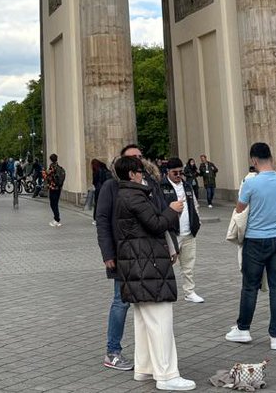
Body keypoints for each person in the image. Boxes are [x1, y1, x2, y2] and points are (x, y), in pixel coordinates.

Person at [112, 154, 195, 391]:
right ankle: (167, 375)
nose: (143, 176)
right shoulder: (135, 196)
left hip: (137, 264)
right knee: (160, 320)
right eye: (141, 172)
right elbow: (156, 224)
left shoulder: (123, 195)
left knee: (144, 320)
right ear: (132, 174)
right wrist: (172, 210)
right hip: (147, 264)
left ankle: (145, 368)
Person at [226, 142, 276, 351]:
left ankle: (243, 329)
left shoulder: (251, 183)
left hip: (255, 239)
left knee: (250, 286)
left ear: (253, 160)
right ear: (270, 158)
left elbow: (239, 208)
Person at [96, 143, 156, 372]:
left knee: (148, 302)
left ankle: (149, 352)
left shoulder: (148, 184)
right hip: (122, 254)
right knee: (121, 302)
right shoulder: (111, 187)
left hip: (148, 253)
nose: (139, 161)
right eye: (133, 159)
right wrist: (107, 253)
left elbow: (157, 214)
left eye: (140, 157)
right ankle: (113, 351)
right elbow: (102, 220)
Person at [162, 158, 203, 304]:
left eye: (181, 172)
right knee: (166, 264)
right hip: (171, 233)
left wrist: (197, 221)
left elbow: (195, 205)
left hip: (188, 232)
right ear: (168, 172)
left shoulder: (187, 186)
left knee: (188, 265)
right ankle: (164, 291)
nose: (178, 175)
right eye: (175, 172)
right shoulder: (162, 187)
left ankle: (189, 292)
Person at [45, 154, 65, 227]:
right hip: (58, 187)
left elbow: (47, 175)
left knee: (53, 204)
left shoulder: (52, 167)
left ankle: (57, 219)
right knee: (56, 203)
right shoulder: (59, 167)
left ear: (51, 159)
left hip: (53, 187)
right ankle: (56, 218)